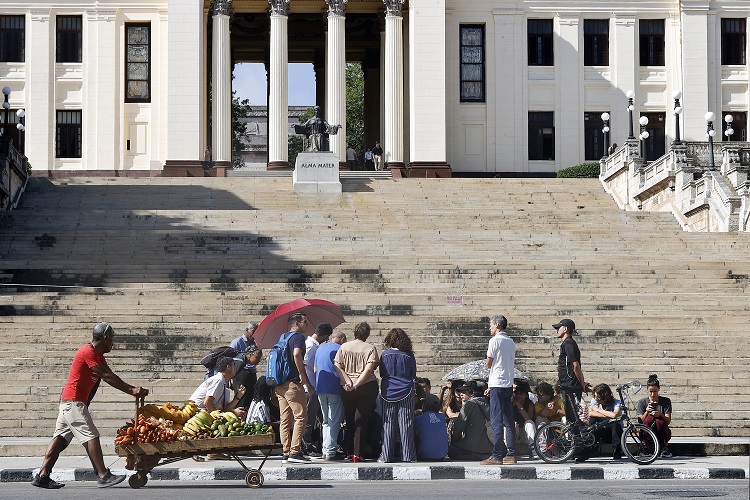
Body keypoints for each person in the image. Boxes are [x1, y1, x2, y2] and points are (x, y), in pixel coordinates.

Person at [32, 322, 149, 489]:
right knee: (91, 435)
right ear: (105, 337)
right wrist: (132, 390)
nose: (113, 342)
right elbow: (106, 376)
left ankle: (42, 476)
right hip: (73, 402)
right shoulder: (88, 352)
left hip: (70, 403)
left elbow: (108, 375)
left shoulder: (99, 355)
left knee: (59, 440)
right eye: (112, 338)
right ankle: (103, 475)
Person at [334, 321, 379, 462]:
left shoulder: (344, 347)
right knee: (361, 419)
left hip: (347, 387)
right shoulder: (370, 348)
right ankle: (357, 452)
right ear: (367, 334)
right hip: (366, 387)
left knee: (349, 417)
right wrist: (357, 384)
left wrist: (348, 381)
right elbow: (368, 369)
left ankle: (348, 450)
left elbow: (337, 365)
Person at [274, 312, 313, 464]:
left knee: (285, 419)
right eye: (305, 321)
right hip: (292, 383)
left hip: (279, 384)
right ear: (296, 323)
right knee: (301, 417)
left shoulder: (282, 337)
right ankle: (295, 452)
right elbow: (297, 354)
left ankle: (285, 451)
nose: (307, 324)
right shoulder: (298, 337)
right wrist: (302, 375)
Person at [481, 314, 517, 465]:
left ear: (497, 325)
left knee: (496, 421)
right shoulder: (510, 341)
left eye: (491, 325)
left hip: (497, 383)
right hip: (508, 383)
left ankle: (497, 455)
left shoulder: (494, 340)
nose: (490, 328)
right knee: (508, 421)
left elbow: (489, 363)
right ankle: (511, 454)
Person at [378, 328, 417, 463]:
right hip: (406, 390)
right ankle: (408, 456)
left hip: (388, 391)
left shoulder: (384, 355)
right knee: (406, 424)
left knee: (388, 424)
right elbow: (413, 374)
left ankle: (386, 456)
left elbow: (382, 374)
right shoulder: (409, 355)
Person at [315, 331, 348, 460]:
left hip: (320, 388)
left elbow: (315, 369)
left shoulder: (320, 348)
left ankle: (325, 449)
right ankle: (330, 451)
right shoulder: (340, 349)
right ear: (342, 339)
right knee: (334, 420)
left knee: (326, 421)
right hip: (334, 387)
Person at [554, 318, 591, 429]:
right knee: (571, 418)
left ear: (565, 329)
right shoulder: (567, 343)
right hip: (567, 385)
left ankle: (578, 442)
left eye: (558, 328)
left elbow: (575, 365)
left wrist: (582, 384)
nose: (556, 330)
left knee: (573, 418)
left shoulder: (569, 343)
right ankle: (576, 442)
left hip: (570, 386)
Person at [302, 323, 332, 457]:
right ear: (324, 336)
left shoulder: (312, 345)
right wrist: (308, 384)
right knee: (308, 419)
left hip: (313, 387)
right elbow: (302, 365)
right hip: (309, 388)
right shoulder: (310, 346)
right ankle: (306, 447)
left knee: (315, 418)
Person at [447, 381, 493, 460]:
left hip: (472, 447)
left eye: (464, 392)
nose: (461, 394)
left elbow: (458, 426)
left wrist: (454, 440)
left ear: (472, 392)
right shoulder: (488, 404)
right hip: (488, 448)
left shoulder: (470, 404)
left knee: (450, 450)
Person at [580, 383, 624, 461]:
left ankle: (616, 451)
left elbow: (614, 415)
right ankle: (590, 449)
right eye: (595, 396)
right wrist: (608, 415)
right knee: (593, 419)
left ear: (605, 397)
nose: (596, 399)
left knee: (614, 423)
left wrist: (598, 410)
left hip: (613, 433)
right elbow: (590, 413)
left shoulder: (616, 402)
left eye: (598, 397)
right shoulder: (594, 400)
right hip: (600, 430)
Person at [637, 374, 673, 457]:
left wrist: (660, 414)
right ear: (647, 390)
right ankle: (646, 446)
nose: (653, 394)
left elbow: (668, 421)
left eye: (655, 391)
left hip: (661, 429)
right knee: (649, 418)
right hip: (647, 430)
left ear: (659, 389)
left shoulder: (666, 401)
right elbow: (640, 421)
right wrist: (646, 412)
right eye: (650, 391)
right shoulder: (642, 402)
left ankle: (665, 446)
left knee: (659, 420)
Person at [414, 394, 449, 460]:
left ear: (425, 405)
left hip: (424, 455)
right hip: (442, 455)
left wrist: (414, 413)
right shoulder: (442, 417)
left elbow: (415, 434)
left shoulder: (419, 418)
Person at [512, 379, 537, 458]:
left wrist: (519, 406)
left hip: (526, 433)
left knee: (529, 423)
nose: (518, 396)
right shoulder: (510, 404)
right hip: (514, 432)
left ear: (526, 395)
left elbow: (528, 418)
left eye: (521, 394)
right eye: (517, 394)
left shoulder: (530, 405)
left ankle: (534, 449)